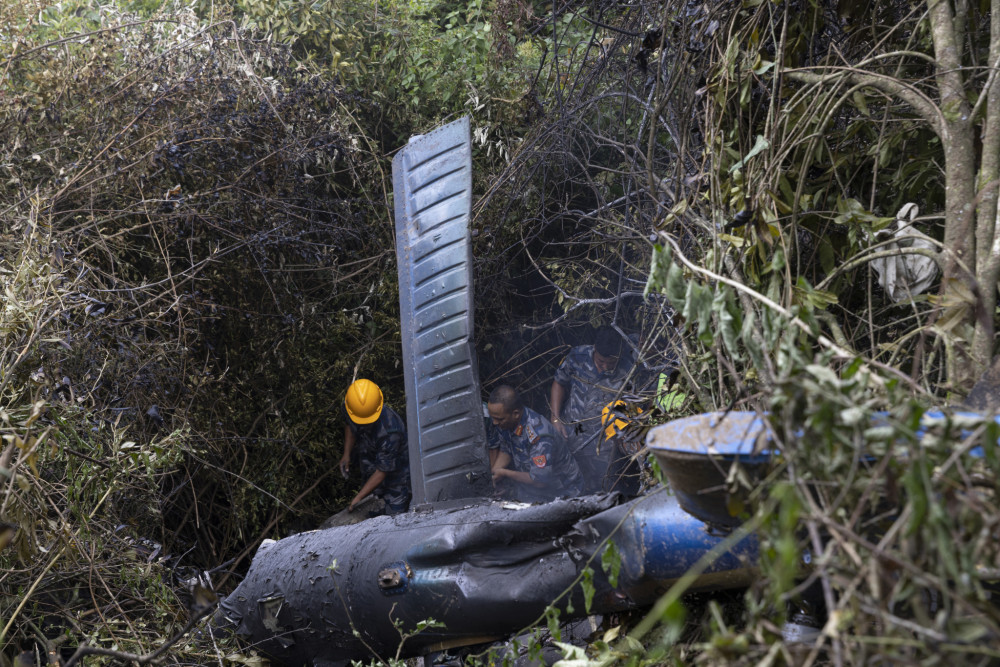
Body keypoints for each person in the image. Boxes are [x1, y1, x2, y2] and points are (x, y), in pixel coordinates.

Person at [550, 325, 634, 492]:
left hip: (603, 446)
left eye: (610, 363)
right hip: (570, 435)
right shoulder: (577, 356)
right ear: (594, 349)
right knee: (565, 485)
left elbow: (631, 407)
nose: (604, 367)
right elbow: (559, 382)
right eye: (600, 361)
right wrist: (555, 418)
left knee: (602, 489)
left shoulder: (628, 369)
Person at [486, 385, 583, 502]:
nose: (495, 423)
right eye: (493, 418)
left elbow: (539, 481)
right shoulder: (505, 421)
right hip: (531, 490)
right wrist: (495, 475)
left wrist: (504, 473)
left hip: (563, 492)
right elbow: (506, 448)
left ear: (515, 414)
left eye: (499, 419)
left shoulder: (539, 436)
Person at [338, 379, 411, 516]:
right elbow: (350, 424)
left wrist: (357, 499)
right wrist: (346, 453)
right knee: (369, 514)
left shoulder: (391, 430)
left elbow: (382, 471)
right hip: (370, 462)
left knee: (395, 518)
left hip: (396, 477)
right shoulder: (352, 406)